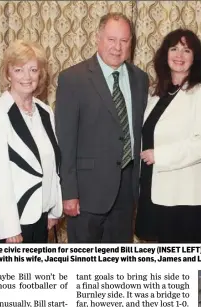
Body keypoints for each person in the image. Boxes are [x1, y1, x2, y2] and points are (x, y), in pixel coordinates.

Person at [55, 12, 149, 243]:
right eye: (111, 39)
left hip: (126, 194)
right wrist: (69, 193)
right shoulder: (72, 79)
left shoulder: (140, 79)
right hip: (86, 196)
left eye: (124, 41)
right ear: (98, 38)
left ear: (131, 43)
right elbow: (65, 142)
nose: (117, 47)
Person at [135, 29, 201, 243]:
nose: (179, 55)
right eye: (174, 49)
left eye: (186, 50)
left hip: (187, 198)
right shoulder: (154, 94)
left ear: (194, 58)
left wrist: (159, 156)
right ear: (165, 54)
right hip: (155, 191)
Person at [0, 40, 62, 243]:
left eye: (33, 70)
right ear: (8, 74)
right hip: (13, 221)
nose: (27, 77)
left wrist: (53, 209)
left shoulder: (45, 111)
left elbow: (52, 165)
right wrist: (9, 228)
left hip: (41, 216)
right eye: (19, 70)